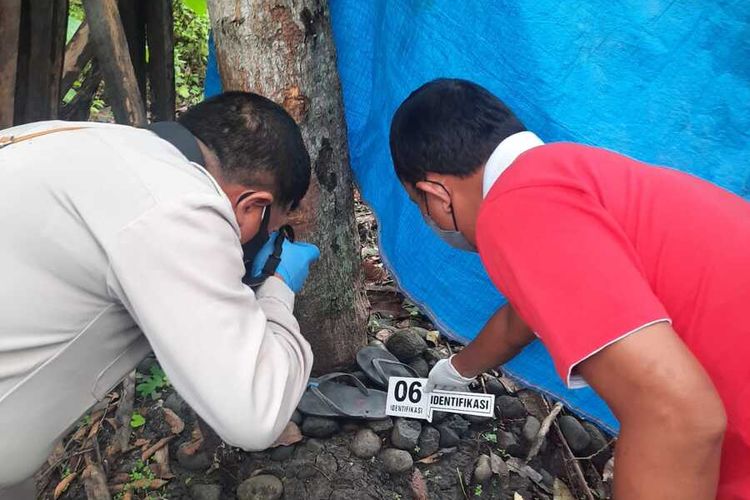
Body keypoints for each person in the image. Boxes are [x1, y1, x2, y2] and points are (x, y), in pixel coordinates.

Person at [389, 78, 749, 499]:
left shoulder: (517, 208)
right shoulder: (565, 174)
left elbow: (676, 415)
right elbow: (521, 317)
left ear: (436, 192)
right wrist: (456, 371)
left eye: (420, 208)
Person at [0, 91, 320, 498]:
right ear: (251, 206)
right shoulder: (179, 205)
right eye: (270, 229)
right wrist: (277, 288)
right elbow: (256, 413)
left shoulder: (71, 140)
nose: (267, 241)